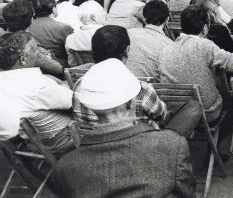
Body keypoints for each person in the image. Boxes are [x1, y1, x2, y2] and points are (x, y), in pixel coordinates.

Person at [53, 58, 195, 198]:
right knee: (193, 108)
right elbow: (187, 193)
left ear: (91, 108)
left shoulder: (65, 168)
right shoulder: (172, 145)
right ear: (132, 102)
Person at [158, 4, 233, 124]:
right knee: (231, 103)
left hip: (174, 111)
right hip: (206, 112)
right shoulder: (205, 46)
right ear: (205, 28)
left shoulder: (166, 49)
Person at [0, 32, 76, 154]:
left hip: (32, 143)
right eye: (35, 50)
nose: (39, 54)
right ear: (23, 59)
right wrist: (63, 84)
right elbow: (76, 102)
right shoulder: (36, 84)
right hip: (63, 141)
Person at [126, 0, 173, 79]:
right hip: (151, 88)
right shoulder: (169, 46)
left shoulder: (128, 33)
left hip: (126, 85)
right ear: (167, 19)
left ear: (144, 17)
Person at [28, 0, 73, 66]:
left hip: (33, 64)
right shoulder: (64, 27)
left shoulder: (26, 26)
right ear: (53, 9)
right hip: (60, 66)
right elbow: (72, 52)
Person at [65, 1, 105, 67]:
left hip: (83, 75)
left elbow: (73, 65)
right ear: (94, 16)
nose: (105, 14)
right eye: (103, 12)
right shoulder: (109, 35)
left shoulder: (70, 38)